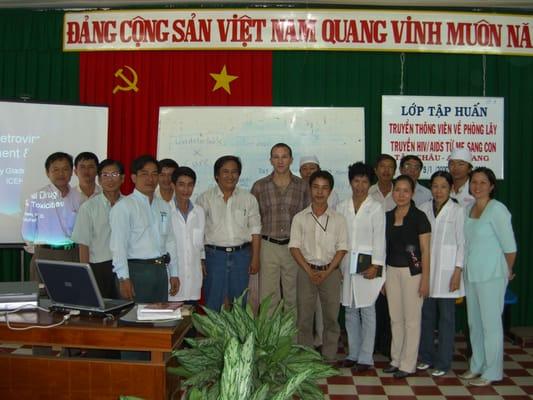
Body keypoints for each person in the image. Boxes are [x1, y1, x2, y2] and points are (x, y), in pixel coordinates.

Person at [459, 167, 517, 386]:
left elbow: (510, 248)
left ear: (492, 186)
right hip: (472, 274)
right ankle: (477, 365)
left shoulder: (498, 210)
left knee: (490, 324)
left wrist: (507, 271)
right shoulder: (468, 209)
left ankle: (492, 372)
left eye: (483, 183)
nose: (478, 186)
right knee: (474, 322)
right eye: (474, 182)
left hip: (492, 275)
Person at [289, 170, 348, 362]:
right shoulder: (300, 217)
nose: (319, 192)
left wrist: (327, 271)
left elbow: (342, 249)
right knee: (304, 318)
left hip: (330, 273)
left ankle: (329, 357)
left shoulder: (338, 219)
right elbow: (294, 247)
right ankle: (306, 357)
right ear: (310, 189)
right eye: (316, 187)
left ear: (330, 191)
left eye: (324, 188)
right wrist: (309, 271)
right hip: (306, 272)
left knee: (331, 318)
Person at [110, 155, 179, 303]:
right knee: (135, 321)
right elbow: (118, 246)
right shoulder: (124, 207)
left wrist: (174, 273)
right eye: (144, 174)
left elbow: (170, 241)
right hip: (136, 271)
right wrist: (123, 278)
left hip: (160, 271)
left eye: (155, 174)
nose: (150, 179)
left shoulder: (164, 206)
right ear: (134, 177)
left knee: (159, 321)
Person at [337, 162, 386, 371]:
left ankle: (366, 358)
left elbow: (380, 239)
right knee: (349, 310)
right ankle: (353, 353)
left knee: (367, 310)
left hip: (368, 267)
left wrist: (377, 265)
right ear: (350, 182)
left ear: (370, 183)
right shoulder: (341, 207)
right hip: (346, 264)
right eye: (356, 181)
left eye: (364, 181)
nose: (360, 185)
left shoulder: (375, 207)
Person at [196, 156, 261, 311]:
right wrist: (200, 259)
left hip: (241, 256)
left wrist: (256, 258)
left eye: (234, 172)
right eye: (225, 172)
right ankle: (213, 336)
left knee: (239, 305)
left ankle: (238, 336)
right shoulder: (204, 199)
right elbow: (197, 233)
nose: (230, 176)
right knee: (213, 302)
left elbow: (256, 231)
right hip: (214, 257)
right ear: (216, 175)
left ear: (239, 175)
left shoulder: (249, 199)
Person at [251, 143, 309, 314]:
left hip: (294, 247)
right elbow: (254, 221)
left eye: (284, 156)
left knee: (293, 297)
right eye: (276, 157)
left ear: (291, 160)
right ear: (270, 160)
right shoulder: (259, 186)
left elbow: (307, 219)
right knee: (269, 298)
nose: (280, 161)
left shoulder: (303, 186)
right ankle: (270, 340)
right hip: (268, 246)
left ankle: (291, 340)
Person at [417, 171, 465, 377]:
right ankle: (426, 356)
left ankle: (443, 362)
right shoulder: (423, 208)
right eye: (435, 186)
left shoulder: (458, 211)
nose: (438, 191)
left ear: (451, 188)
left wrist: (457, 272)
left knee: (446, 320)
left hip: (448, 274)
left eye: (443, 186)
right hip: (427, 273)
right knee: (426, 317)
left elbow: (463, 243)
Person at [383, 175, 431, 379]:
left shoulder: (419, 217)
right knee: (395, 318)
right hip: (392, 271)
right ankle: (396, 359)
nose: (400, 194)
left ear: (412, 193)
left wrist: (425, 280)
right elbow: (383, 249)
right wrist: (383, 278)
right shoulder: (387, 216)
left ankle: (409, 363)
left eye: (405, 191)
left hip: (413, 274)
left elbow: (425, 251)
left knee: (412, 320)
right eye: (397, 190)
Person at [22, 152, 81, 281]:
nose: (61, 174)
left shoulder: (79, 197)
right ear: (47, 172)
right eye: (55, 169)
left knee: (71, 296)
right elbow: (27, 233)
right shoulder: (36, 197)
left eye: (65, 169)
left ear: (72, 172)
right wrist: (40, 251)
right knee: (43, 298)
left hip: (71, 254)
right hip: (44, 255)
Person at [71, 159, 125, 299]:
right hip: (99, 267)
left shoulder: (129, 205)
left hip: (126, 265)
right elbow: (83, 244)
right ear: (99, 180)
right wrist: (85, 276)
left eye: (114, 174)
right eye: (105, 175)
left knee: (126, 309)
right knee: (101, 312)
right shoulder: (88, 207)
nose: (110, 179)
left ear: (123, 178)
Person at [368, 153, 396, 357]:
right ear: (376, 170)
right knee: (375, 299)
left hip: (396, 252)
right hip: (373, 251)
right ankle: (374, 342)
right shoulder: (368, 193)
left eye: (390, 167)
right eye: (382, 167)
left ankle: (389, 343)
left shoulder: (401, 192)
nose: (386, 171)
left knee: (392, 301)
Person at [168, 166, 205, 304]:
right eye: (181, 185)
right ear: (173, 185)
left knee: (189, 320)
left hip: (193, 277)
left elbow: (199, 243)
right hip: (172, 277)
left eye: (190, 185)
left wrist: (202, 260)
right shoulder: (165, 210)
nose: (186, 189)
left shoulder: (199, 211)